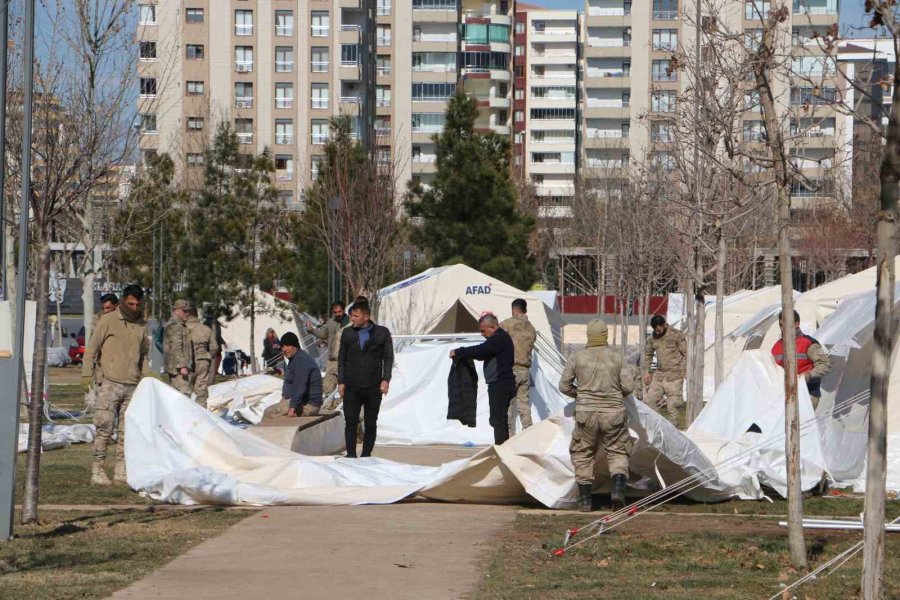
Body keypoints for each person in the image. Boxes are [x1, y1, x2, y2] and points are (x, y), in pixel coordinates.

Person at [559, 318, 633, 512]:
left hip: (586, 413)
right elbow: (629, 386)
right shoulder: (617, 357)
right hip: (614, 412)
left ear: (588, 336)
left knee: (583, 453)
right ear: (605, 335)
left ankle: (585, 500)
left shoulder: (577, 357)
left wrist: (580, 395)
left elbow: (563, 386)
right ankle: (617, 491)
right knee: (617, 451)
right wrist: (614, 396)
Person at [81, 284, 149, 485]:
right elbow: (91, 349)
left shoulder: (141, 325)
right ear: (123, 302)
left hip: (132, 384)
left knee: (127, 431)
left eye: (138, 304)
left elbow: (143, 356)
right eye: (131, 303)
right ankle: (98, 470)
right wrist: (87, 376)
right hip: (110, 383)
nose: (134, 308)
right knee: (104, 427)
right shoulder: (108, 320)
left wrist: (149, 374)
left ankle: (122, 469)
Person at [337, 301, 394, 458]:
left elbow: (388, 357)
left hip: (373, 387)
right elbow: (342, 359)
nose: (352, 319)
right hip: (352, 386)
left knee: (370, 422)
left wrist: (386, 379)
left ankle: (366, 455)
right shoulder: (347, 333)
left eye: (356, 316)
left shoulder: (382, 333)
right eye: (351, 315)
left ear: (366, 316)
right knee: (350, 421)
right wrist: (341, 381)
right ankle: (350, 455)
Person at [451, 314, 517, 445]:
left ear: (492, 327)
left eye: (483, 330)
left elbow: (481, 350)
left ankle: (501, 448)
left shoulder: (499, 338)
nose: (482, 334)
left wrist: (458, 352)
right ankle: (503, 446)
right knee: (499, 419)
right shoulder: (499, 339)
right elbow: (485, 353)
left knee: (498, 419)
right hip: (500, 384)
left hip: (500, 384)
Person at [772, 310, 831, 408]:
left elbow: (824, 365)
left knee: (802, 423)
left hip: (807, 394)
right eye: (781, 325)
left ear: (796, 324)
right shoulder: (777, 346)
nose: (783, 328)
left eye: (786, 324)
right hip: (784, 396)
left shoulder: (809, 343)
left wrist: (808, 375)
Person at [501, 298, 537, 438]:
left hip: (511, 369)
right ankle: (527, 435)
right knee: (524, 405)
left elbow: (494, 335)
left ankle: (508, 438)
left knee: (508, 405)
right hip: (525, 371)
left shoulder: (507, 324)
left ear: (514, 309)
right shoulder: (531, 328)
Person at [643, 315, 687, 426]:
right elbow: (648, 354)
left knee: (672, 405)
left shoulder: (676, 335)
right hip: (660, 374)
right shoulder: (653, 337)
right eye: (655, 330)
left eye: (659, 330)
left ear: (663, 325)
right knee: (649, 401)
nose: (657, 332)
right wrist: (647, 371)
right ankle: (657, 426)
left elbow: (687, 353)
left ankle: (674, 429)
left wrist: (685, 371)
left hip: (674, 375)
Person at [306, 301, 349, 397]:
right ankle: (329, 408)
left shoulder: (349, 323)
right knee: (327, 387)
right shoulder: (330, 322)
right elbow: (324, 335)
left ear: (344, 310)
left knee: (345, 387)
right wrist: (311, 329)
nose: (338, 314)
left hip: (344, 361)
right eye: (335, 312)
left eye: (340, 311)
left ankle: (345, 408)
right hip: (331, 360)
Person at [280, 332, 324, 417]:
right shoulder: (295, 359)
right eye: (282, 347)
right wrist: (284, 399)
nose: (284, 349)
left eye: (288, 346)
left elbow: (300, 386)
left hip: (308, 405)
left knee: (269, 413)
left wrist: (292, 408)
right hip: (300, 402)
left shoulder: (301, 360)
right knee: (273, 411)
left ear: (295, 346)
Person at [186, 306, 218, 406]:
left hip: (187, 362)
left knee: (185, 390)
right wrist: (208, 356)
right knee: (201, 391)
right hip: (203, 361)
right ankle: (201, 414)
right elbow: (214, 347)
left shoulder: (183, 328)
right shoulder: (205, 329)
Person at [163, 299, 195, 395]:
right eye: (184, 311)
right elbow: (176, 346)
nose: (187, 313)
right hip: (178, 370)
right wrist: (182, 366)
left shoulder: (180, 325)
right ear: (176, 311)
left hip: (178, 368)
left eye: (188, 311)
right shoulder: (175, 326)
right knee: (184, 396)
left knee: (178, 396)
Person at [205, 313, 225, 386]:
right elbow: (216, 334)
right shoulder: (212, 323)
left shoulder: (208, 322)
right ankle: (214, 371)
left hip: (214, 342)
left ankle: (214, 371)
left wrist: (223, 341)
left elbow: (218, 334)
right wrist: (220, 341)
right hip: (213, 342)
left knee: (217, 357)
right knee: (216, 357)